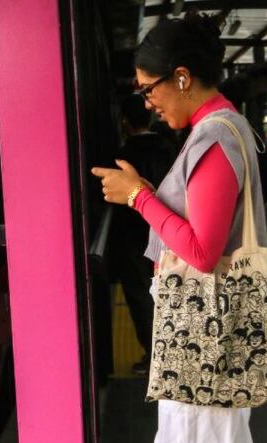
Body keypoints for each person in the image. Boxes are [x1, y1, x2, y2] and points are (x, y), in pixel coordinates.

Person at [91, 11, 266, 443]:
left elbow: (201, 252)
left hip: (204, 331)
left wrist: (138, 196)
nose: (148, 102)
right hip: (211, 330)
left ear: (182, 77)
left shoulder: (214, 139)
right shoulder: (223, 130)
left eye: (149, 89)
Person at [109, 94, 177, 375]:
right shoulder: (170, 149)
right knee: (170, 293)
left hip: (134, 238)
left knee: (141, 297)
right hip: (169, 233)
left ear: (125, 122)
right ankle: (175, 352)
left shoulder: (122, 156)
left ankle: (154, 357)